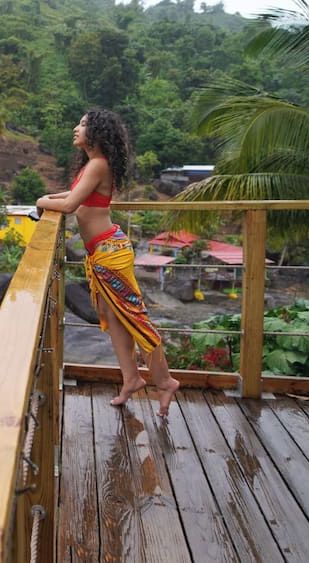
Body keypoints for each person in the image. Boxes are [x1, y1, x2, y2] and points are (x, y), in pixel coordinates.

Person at [36, 108, 180, 417]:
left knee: (135, 319)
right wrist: (51, 196)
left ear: (97, 133)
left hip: (110, 254)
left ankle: (165, 381)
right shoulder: (94, 164)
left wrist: (41, 202)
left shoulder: (99, 164)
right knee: (112, 317)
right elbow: (74, 194)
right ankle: (131, 378)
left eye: (83, 124)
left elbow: (70, 205)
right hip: (103, 252)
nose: (76, 128)